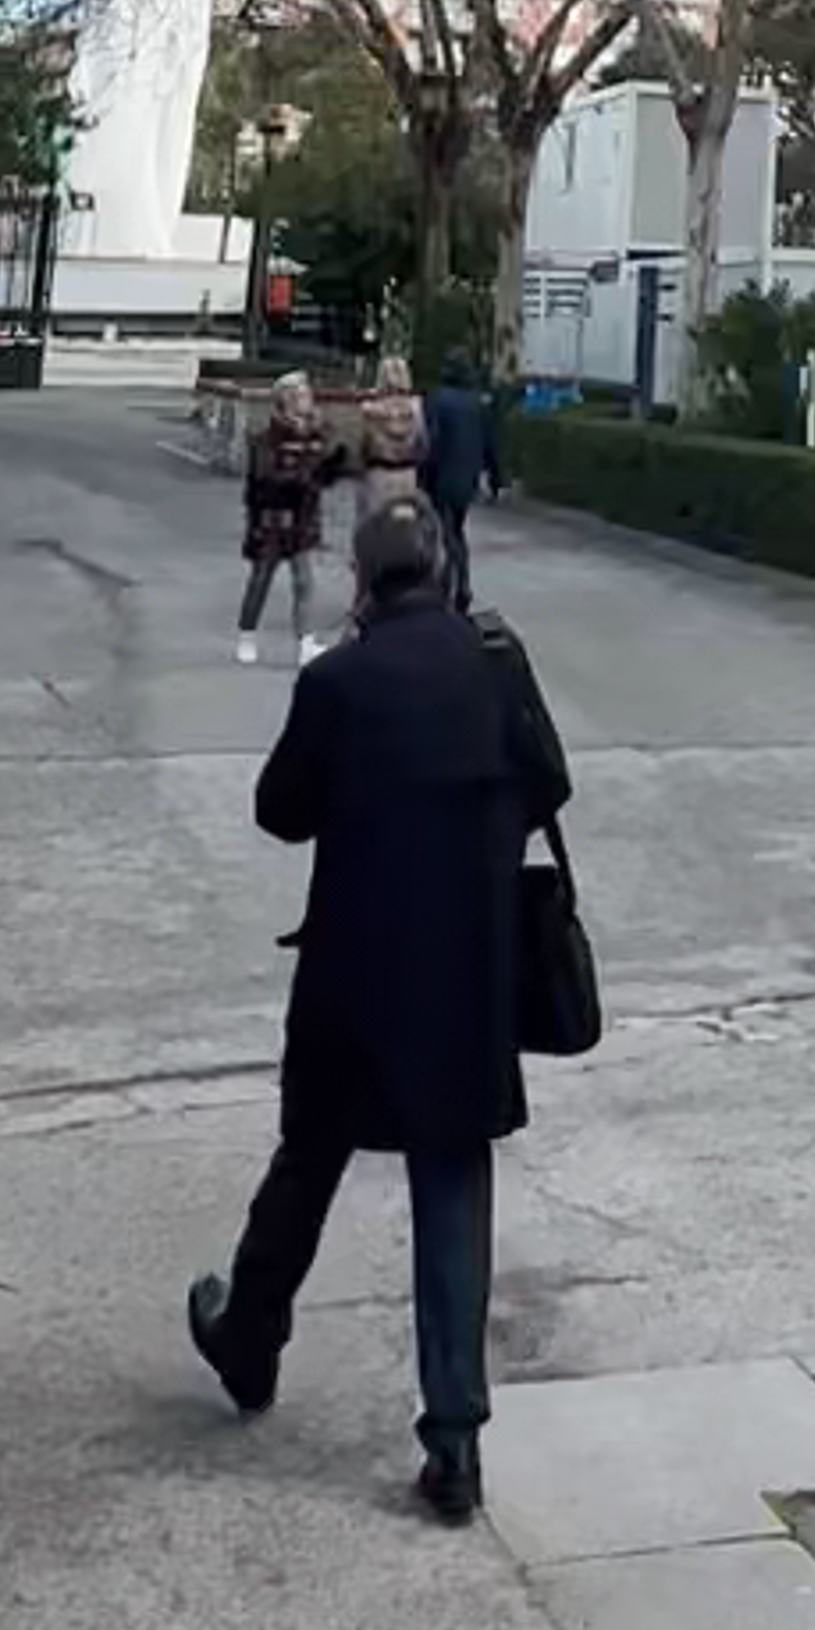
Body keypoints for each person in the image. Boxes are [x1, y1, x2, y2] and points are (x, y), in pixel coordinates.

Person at [188, 499, 572, 1517]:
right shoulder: (497, 664)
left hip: (355, 970)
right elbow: (549, 785)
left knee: (309, 1156)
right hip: (469, 972)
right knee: (452, 1186)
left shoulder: (338, 682)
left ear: (360, 580)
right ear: (443, 569)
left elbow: (279, 811)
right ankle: (455, 1440)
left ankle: (249, 1338)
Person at [234, 380, 327, 662]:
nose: (309, 400)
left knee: (304, 582)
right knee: (261, 579)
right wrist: (298, 478)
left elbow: (323, 470)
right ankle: (246, 634)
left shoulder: (314, 434)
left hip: (301, 520)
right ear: (287, 400)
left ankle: (305, 642)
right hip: (272, 520)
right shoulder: (268, 437)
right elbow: (263, 481)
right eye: (302, 395)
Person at [417, 361, 494, 611]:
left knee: (445, 532)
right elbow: (489, 441)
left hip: (442, 476)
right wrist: (494, 476)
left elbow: (433, 440)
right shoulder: (477, 403)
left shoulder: (437, 400)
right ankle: (461, 583)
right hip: (468, 477)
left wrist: (423, 474)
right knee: (457, 531)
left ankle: (449, 584)